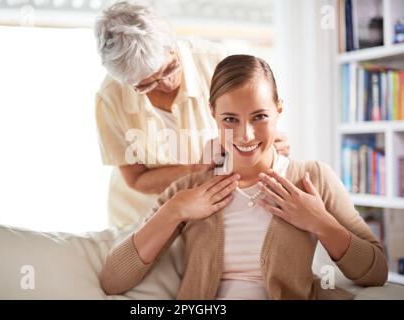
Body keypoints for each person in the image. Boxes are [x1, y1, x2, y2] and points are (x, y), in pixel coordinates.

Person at [99, 54, 388, 300]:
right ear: (213, 115)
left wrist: (321, 223)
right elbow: (114, 279)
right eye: (230, 119)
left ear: (279, 110)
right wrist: (174, 210)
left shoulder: (312, 177)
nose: (245, 134)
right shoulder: (189, 189)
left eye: (259, 116)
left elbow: (376, 272)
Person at [93, 1, 290, 229]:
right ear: (128, 82)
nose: (165, 84)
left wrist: (268, 139)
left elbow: (252, 117)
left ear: (172, 44)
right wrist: (199, 168)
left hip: (211, 215)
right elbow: (136, 179)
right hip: (139, 217)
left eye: (170, 68)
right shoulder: (109, 98)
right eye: (147, 84)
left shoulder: (216, 62)